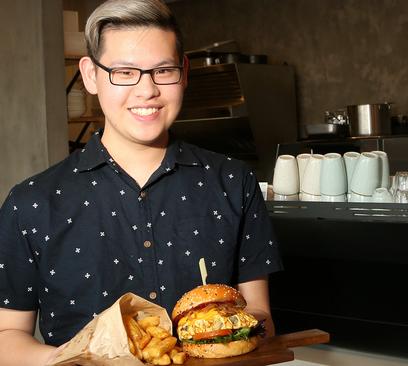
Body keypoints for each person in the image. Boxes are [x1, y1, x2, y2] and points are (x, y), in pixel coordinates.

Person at [0, 0, 283, 364]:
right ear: (90, 75)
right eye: (125, 72)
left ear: (183, 73)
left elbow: (260, 316)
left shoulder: (234, 181)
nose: (147, 90)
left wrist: (224, 332)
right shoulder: (31, 203)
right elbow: (8, 337)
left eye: (162, 70)